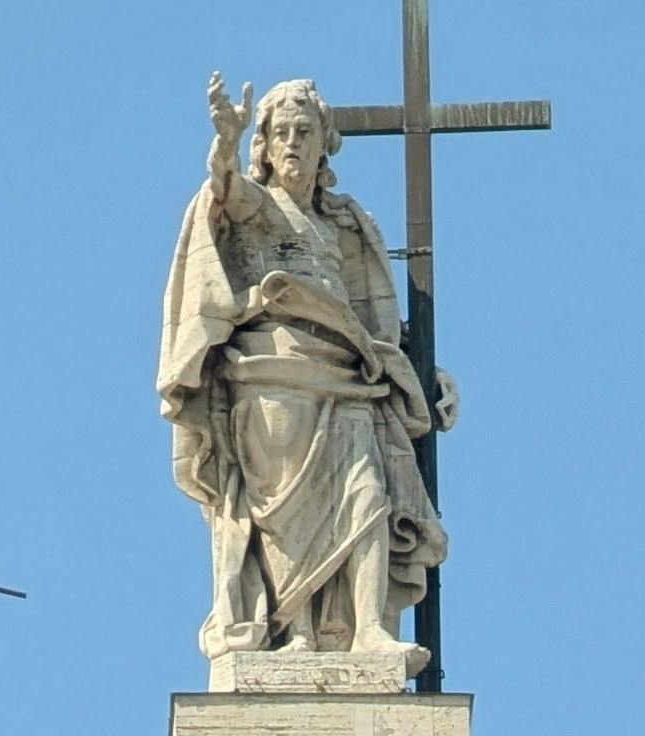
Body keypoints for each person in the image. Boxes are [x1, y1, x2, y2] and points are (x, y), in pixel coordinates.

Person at [159, 75, 450, 664]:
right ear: (263, 145)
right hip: (274, 379)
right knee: (282, 515)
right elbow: (223, 191)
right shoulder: (259, 205)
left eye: (304, 131)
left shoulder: (344, 225)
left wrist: (424, 372)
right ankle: (287, 630)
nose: (292, 143)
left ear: (325, 142)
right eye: (280, 133)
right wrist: (225, 141)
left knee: (367, 495)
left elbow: (379, 323)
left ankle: (369, 629)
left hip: (350, 376)